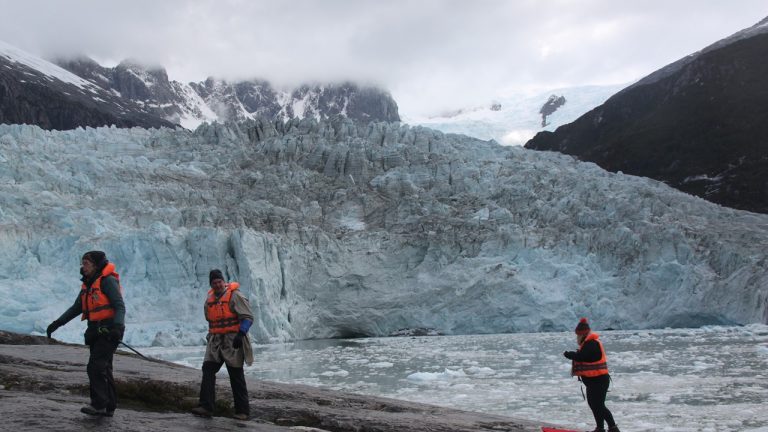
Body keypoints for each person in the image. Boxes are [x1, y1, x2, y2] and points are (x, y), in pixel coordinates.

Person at [46, 251, 126, 417]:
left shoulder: (107, 281)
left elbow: (119, 306)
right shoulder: (89, 284)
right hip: (95, 330)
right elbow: (77, 307)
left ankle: (99, 405)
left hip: (109, 330)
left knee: (95, 367)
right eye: (83, 263)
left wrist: (117, 327)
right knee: (104, 368)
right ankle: (109, 406)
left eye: (86, 263)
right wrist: (57, 323)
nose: (83, 267)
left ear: (96, 265)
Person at [191, 269, 254, 420]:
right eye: (214, 283)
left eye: (219, 281)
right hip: (216, 341)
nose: (217, 285)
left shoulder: (235, 296)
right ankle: (206, 406)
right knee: (208, 369)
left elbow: (248, 317)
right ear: (211, 284)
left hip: (233, 340)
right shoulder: (210, 299)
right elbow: (209, 318)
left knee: (236, 374)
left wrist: (241, 334)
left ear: (223, 281)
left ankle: (242, 412)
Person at [563, 318, 620, 432]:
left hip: (599, 381)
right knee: (595, 405)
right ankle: (603, 428)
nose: (577, 337)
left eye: (578, 335)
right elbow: (585, 356)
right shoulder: (588, 343)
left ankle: (610, 428)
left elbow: (584, 357)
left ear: (582, 334)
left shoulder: (591, 343)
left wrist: (569, 354)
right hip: (594, 381)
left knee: (598, 405)